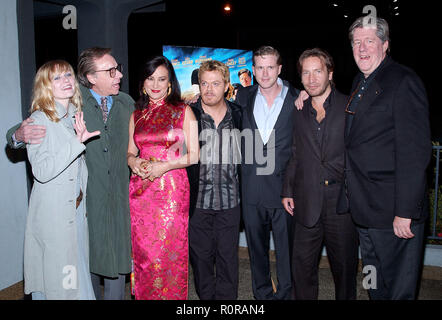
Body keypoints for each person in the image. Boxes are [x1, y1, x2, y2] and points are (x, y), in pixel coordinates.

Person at [7, 47, 135, 300]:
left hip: (109, 200)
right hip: (83, 202)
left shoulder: (126, 103)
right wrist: (16, 135)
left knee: (110, 266)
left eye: (117, 67)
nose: (119, 74)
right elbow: (32, 126)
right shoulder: (77, 104)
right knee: (71, 273)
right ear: (91, 77)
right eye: (111, 70)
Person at [342, 16, 431, 299]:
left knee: (398, 290)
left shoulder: (403, 81)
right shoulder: (360, 80)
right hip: (366, 212)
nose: (362, 48)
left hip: (395, 213)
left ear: (386, 45)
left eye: (370, 41)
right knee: (373, 282)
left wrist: (404, 211)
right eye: (357, 42)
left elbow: (414, 153)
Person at [281, 48, 358, 300]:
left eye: (318, 71)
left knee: (345, 271)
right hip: (306, 200)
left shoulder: (350, 107)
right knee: (301, 270)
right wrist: (287, 191)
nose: (312, 79)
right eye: (306, 73)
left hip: (342, 203)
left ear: (330, 73)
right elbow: (295, 152)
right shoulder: (299, 110)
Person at [24, 60, 99, 300]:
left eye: (68, 75)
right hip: (54, 216)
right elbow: (42, 171)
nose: (65, 80)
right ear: (45, 86)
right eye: (56, 78)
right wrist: (77, 143)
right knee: (62, 282)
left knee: (73, 276)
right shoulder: (39, 120)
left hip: (75, 211)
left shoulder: (73, 115)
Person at [127, 56, 199, 300]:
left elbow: (194, 155)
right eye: (150, 78)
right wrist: (133, 161)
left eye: (161, 79)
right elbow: (130, 151)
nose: (155, 84)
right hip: (140, 192)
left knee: (169, 252)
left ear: (170, 83)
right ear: (143, 82)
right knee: (144, 253)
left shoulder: (183, 111)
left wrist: (164, 167)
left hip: (171, 191)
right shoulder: (136, 115)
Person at [235, 46, 299, 300]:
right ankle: (262, 295)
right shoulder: (243, 96)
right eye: (259, 67)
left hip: (285, 191)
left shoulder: (297, 98)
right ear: (253, 69)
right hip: (251, 189)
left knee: (286, 251)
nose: (264, 72)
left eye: (270, 66)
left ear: (280, 69)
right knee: (256, 251)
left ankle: (285, 294)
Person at [187, 60, 242, 300]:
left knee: (229, 262)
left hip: (231, 203)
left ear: (227, 85)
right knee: (201, 263)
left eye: (216, 83)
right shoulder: (189, 115)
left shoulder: (239, 116)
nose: (209, 89)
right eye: (204, 83)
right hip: (198, 204)